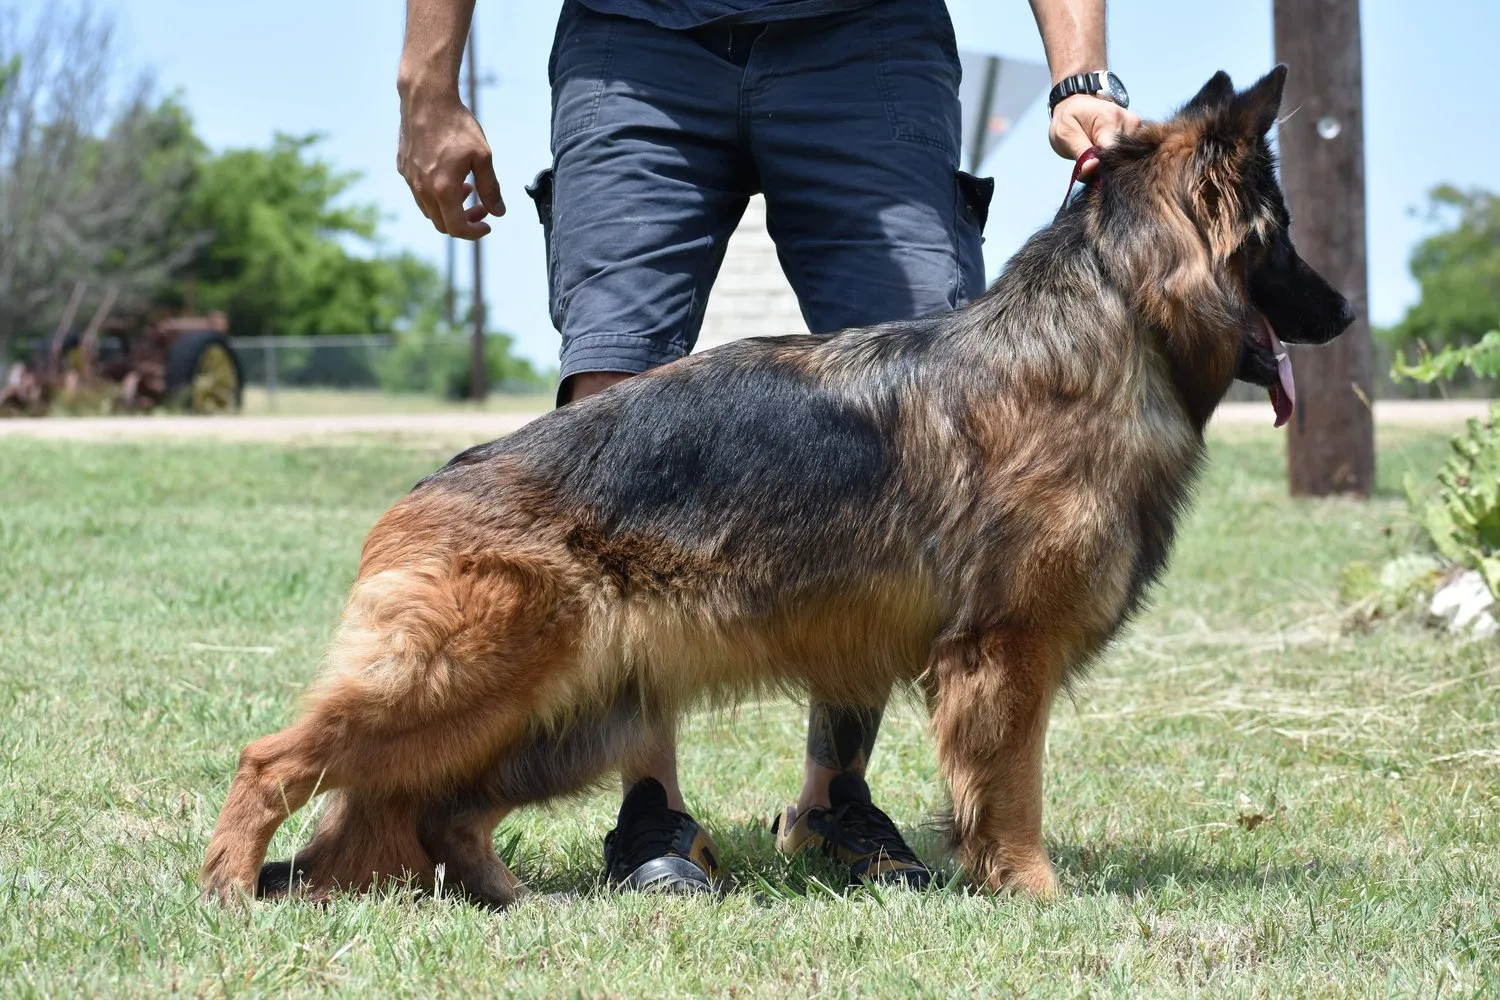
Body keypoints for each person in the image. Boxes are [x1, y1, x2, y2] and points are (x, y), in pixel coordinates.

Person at [397, 0, 1139, 893]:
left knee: (910, 419)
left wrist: (1081, 74)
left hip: (868, 38)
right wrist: (427, 83)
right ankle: (652, 814)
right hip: (632, 44)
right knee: (614, 397)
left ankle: (834, 803)